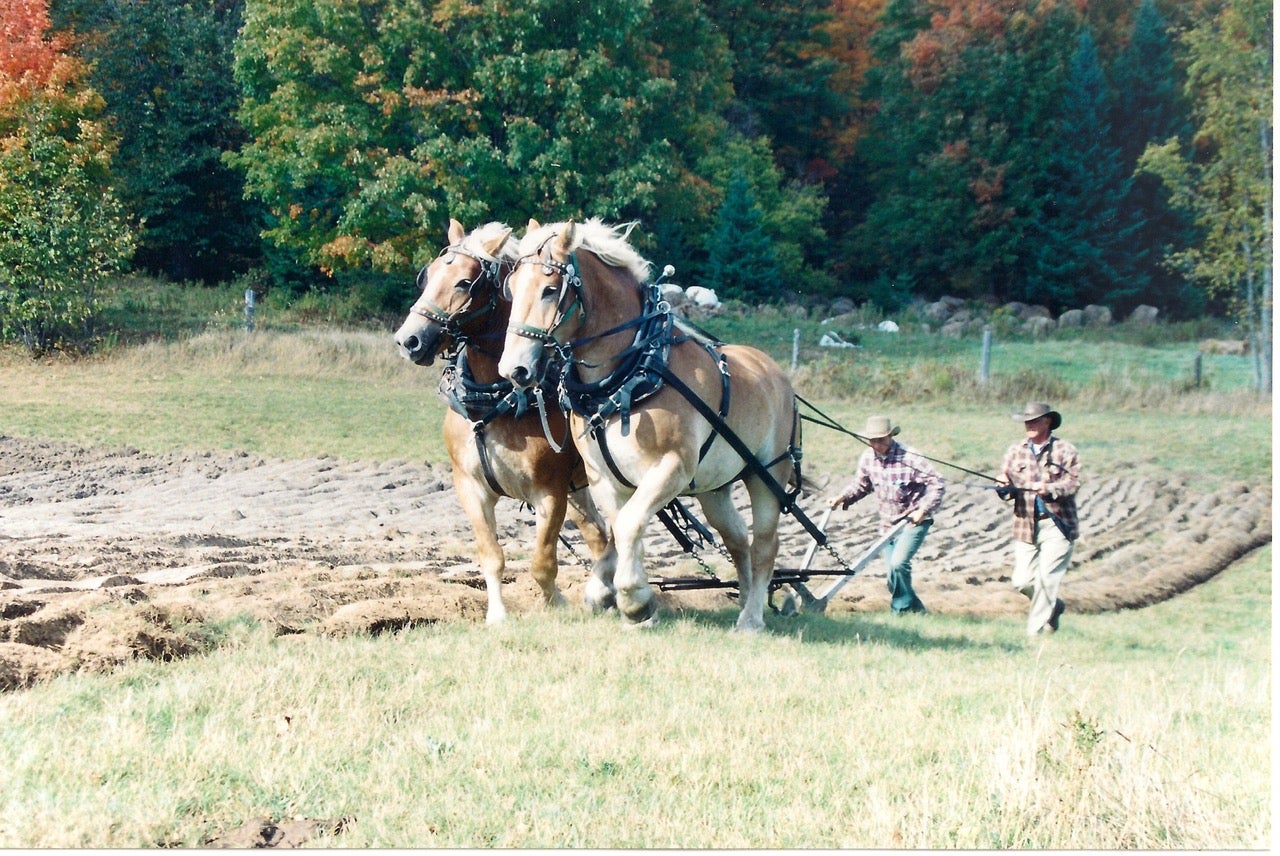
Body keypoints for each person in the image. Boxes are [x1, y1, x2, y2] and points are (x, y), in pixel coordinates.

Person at [829, 415, 946, 615]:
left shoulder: (910, 457)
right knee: (893, 577)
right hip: (887, 525)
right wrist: (842, 497)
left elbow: (938, 483)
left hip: (912, 521)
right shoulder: (867, 457)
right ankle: (918, 611)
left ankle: (899, 612)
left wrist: (923, 510)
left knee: (899, 564)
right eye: (872, 440)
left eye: (881, 440)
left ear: (890, 437)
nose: (876, 445)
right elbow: (861, 485)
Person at [996, 402, 1081, 637]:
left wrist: (1049, 488)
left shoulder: (1065, 450)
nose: (1029, 425)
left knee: (1046, 580)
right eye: (1027, 421)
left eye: (1034, 421)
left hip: (1057, 524)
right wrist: (1002, 485)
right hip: (1025, 524)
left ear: (1048, 422)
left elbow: (1072, 484)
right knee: (1021, 581)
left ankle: (1034, 634)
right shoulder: (1015, 451)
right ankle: (1053, 607)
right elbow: (1006, 483)